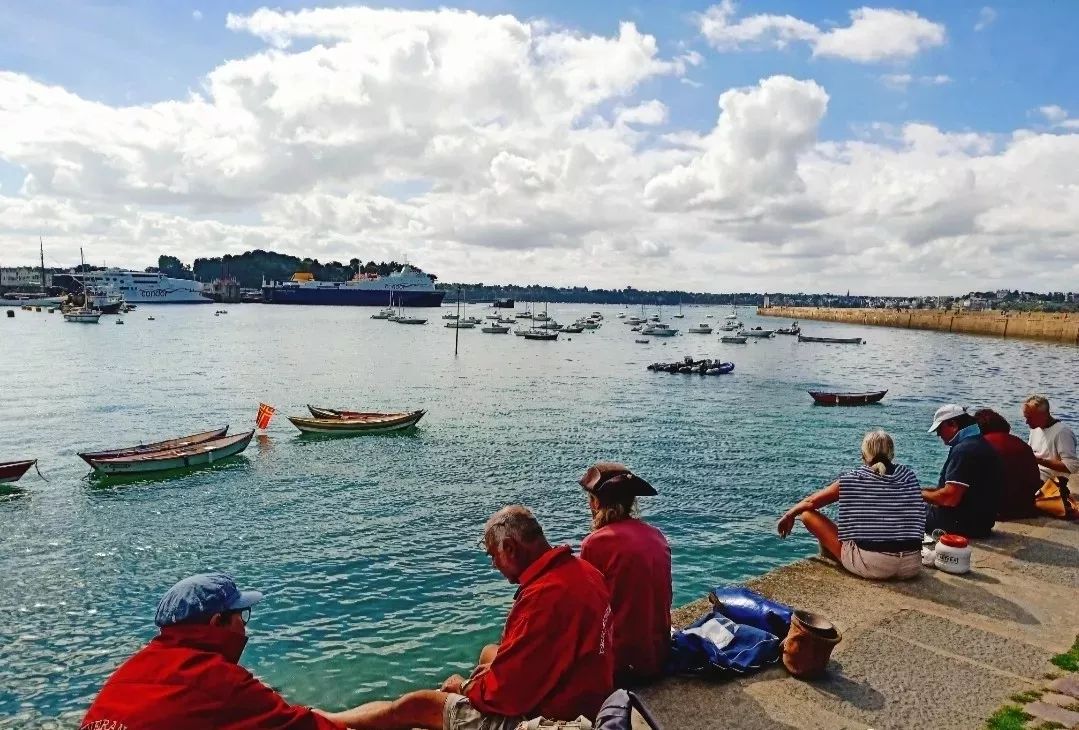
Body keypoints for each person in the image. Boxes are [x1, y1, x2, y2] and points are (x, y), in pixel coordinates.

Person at [324, 505, 614, 730]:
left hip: (561, 718)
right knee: (490, 653)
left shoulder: (544, 596)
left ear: (510, 548)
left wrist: (464, 687)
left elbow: (508, 697)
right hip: (589, 694)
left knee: (419, 704)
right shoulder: (583, 572)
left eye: (493, 555)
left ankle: (328, 720)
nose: (494, 565)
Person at [81, 573, 352, 730]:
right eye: (241, 616)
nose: (244, 628)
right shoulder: (215, 679)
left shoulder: (132, 668)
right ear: (217, 623)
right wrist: (392, 715)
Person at [777, 430, 924, 580]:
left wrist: (789, 514)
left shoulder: (853, 478)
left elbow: (811, 502)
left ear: (863, 456)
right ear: (892, 455)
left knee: (807, 515)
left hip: (874, 565)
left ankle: (838, 559)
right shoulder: (908, 475)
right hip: (911, 565)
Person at [579, 462, 672, 684]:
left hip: (621, 667)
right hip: (658, 657)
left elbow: (587, 610)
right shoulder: (656, 536)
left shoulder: (595, 544)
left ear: (595, 502)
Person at [923, 404, 1004, 538]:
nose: (938, 435)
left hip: (959, 524)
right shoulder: (981, 444)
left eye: (939, 429)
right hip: (981, 523)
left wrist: (917, 494)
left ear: (953, 424)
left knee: (901, 508)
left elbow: (950, 498)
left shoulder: (964, 450)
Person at [974, 408, 1041, 519]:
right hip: (1024, 508)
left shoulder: (979, 445)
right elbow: (1034, 481)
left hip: (994, 509)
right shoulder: (1022, 444)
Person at [1022, 394, 1078, 518]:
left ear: (1044, 415)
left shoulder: (1062, 433)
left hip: (1050, 482)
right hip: (1034, 475)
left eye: (1029, 418)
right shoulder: (1035, 429)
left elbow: (1072, 466)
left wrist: (1038, 460)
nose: (1026, 422)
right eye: (1026, 417)